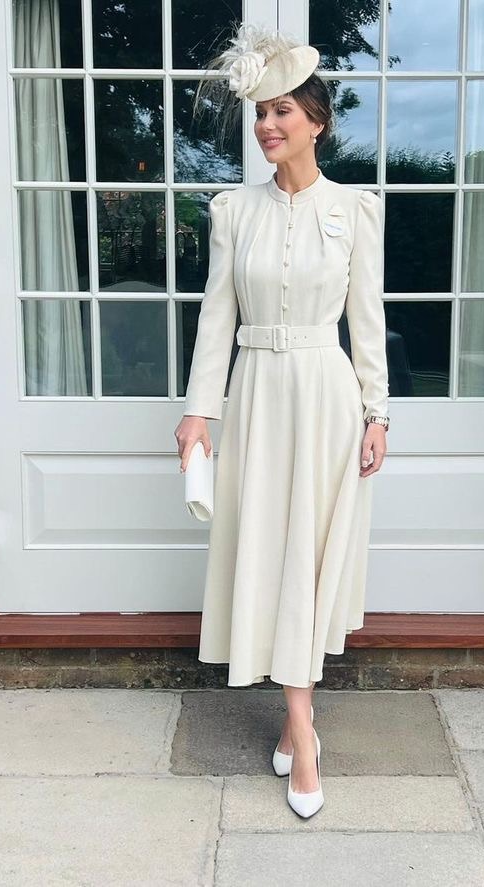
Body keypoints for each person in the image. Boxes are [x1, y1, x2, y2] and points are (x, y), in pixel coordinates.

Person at [174, 23, 390, 819]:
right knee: (269, 549)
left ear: (317, 122)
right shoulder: (234, 210)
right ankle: (303, 725)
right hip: (259, 392)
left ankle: (299, 726)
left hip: (328, 398)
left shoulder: (355, 210)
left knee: (311, 554)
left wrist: (377, 411)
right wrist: (199, 411)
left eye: (283, 112)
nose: (267, 125)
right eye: (260, 112)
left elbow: (367, 322)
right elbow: (215, 318)